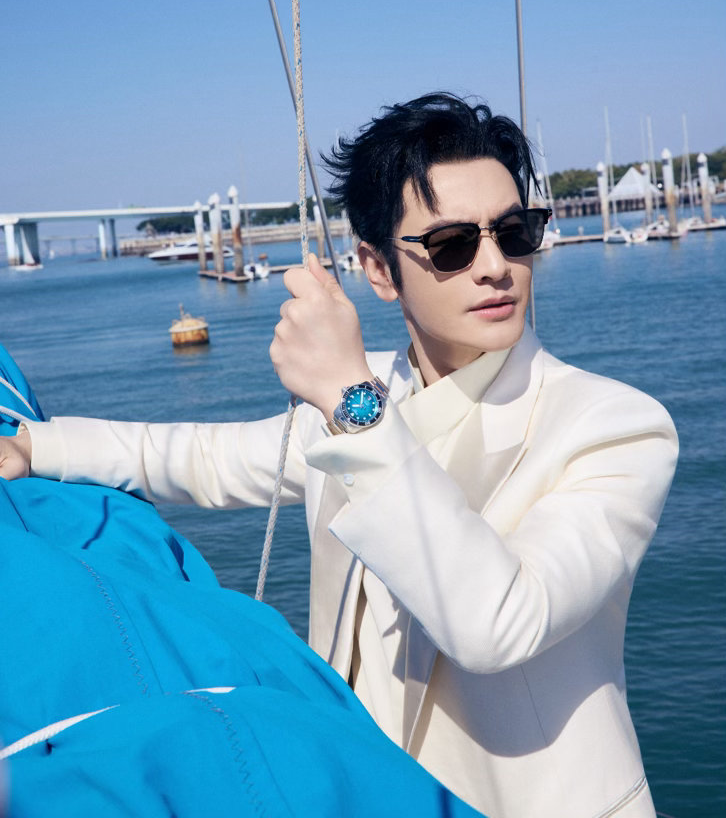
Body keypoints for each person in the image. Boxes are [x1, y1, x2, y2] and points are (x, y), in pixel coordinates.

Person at [1, 93, 677, 818]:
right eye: (452, 244)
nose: (495, 266)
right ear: (378, 270)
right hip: (365, 792)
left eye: (515, 233)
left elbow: (499, 621)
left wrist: (352, 400)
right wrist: (38, 443)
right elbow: (203, 456)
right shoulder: (367, 396)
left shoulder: (615, 426)